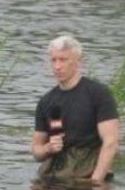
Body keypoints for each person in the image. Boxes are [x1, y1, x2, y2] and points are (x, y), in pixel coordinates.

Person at [31, 34, 119, 182]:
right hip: (54, 175)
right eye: (54, 60)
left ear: (78, 62)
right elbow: (36, 151)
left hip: (87, 175)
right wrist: (48, 148)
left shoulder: (98, 93)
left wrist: (95, 183)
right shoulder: (47, 101)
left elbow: (111, 142)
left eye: (63, 60)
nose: (57, 66)